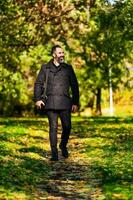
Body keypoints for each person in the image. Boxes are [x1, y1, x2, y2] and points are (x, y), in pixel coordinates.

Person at [34, 45, 79, 161]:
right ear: (54, 55)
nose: (62, 55)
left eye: (63, 53)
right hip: (50, 102)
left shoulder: (68, 68)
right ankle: (54, 153)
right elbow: (38, 84)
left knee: (67, 127)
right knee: (53, 128)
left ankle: (63, 145)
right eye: (60, 53)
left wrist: (75, 102)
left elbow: (74, 86)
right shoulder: (45, 68)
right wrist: (38, 99)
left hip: (65, 102)